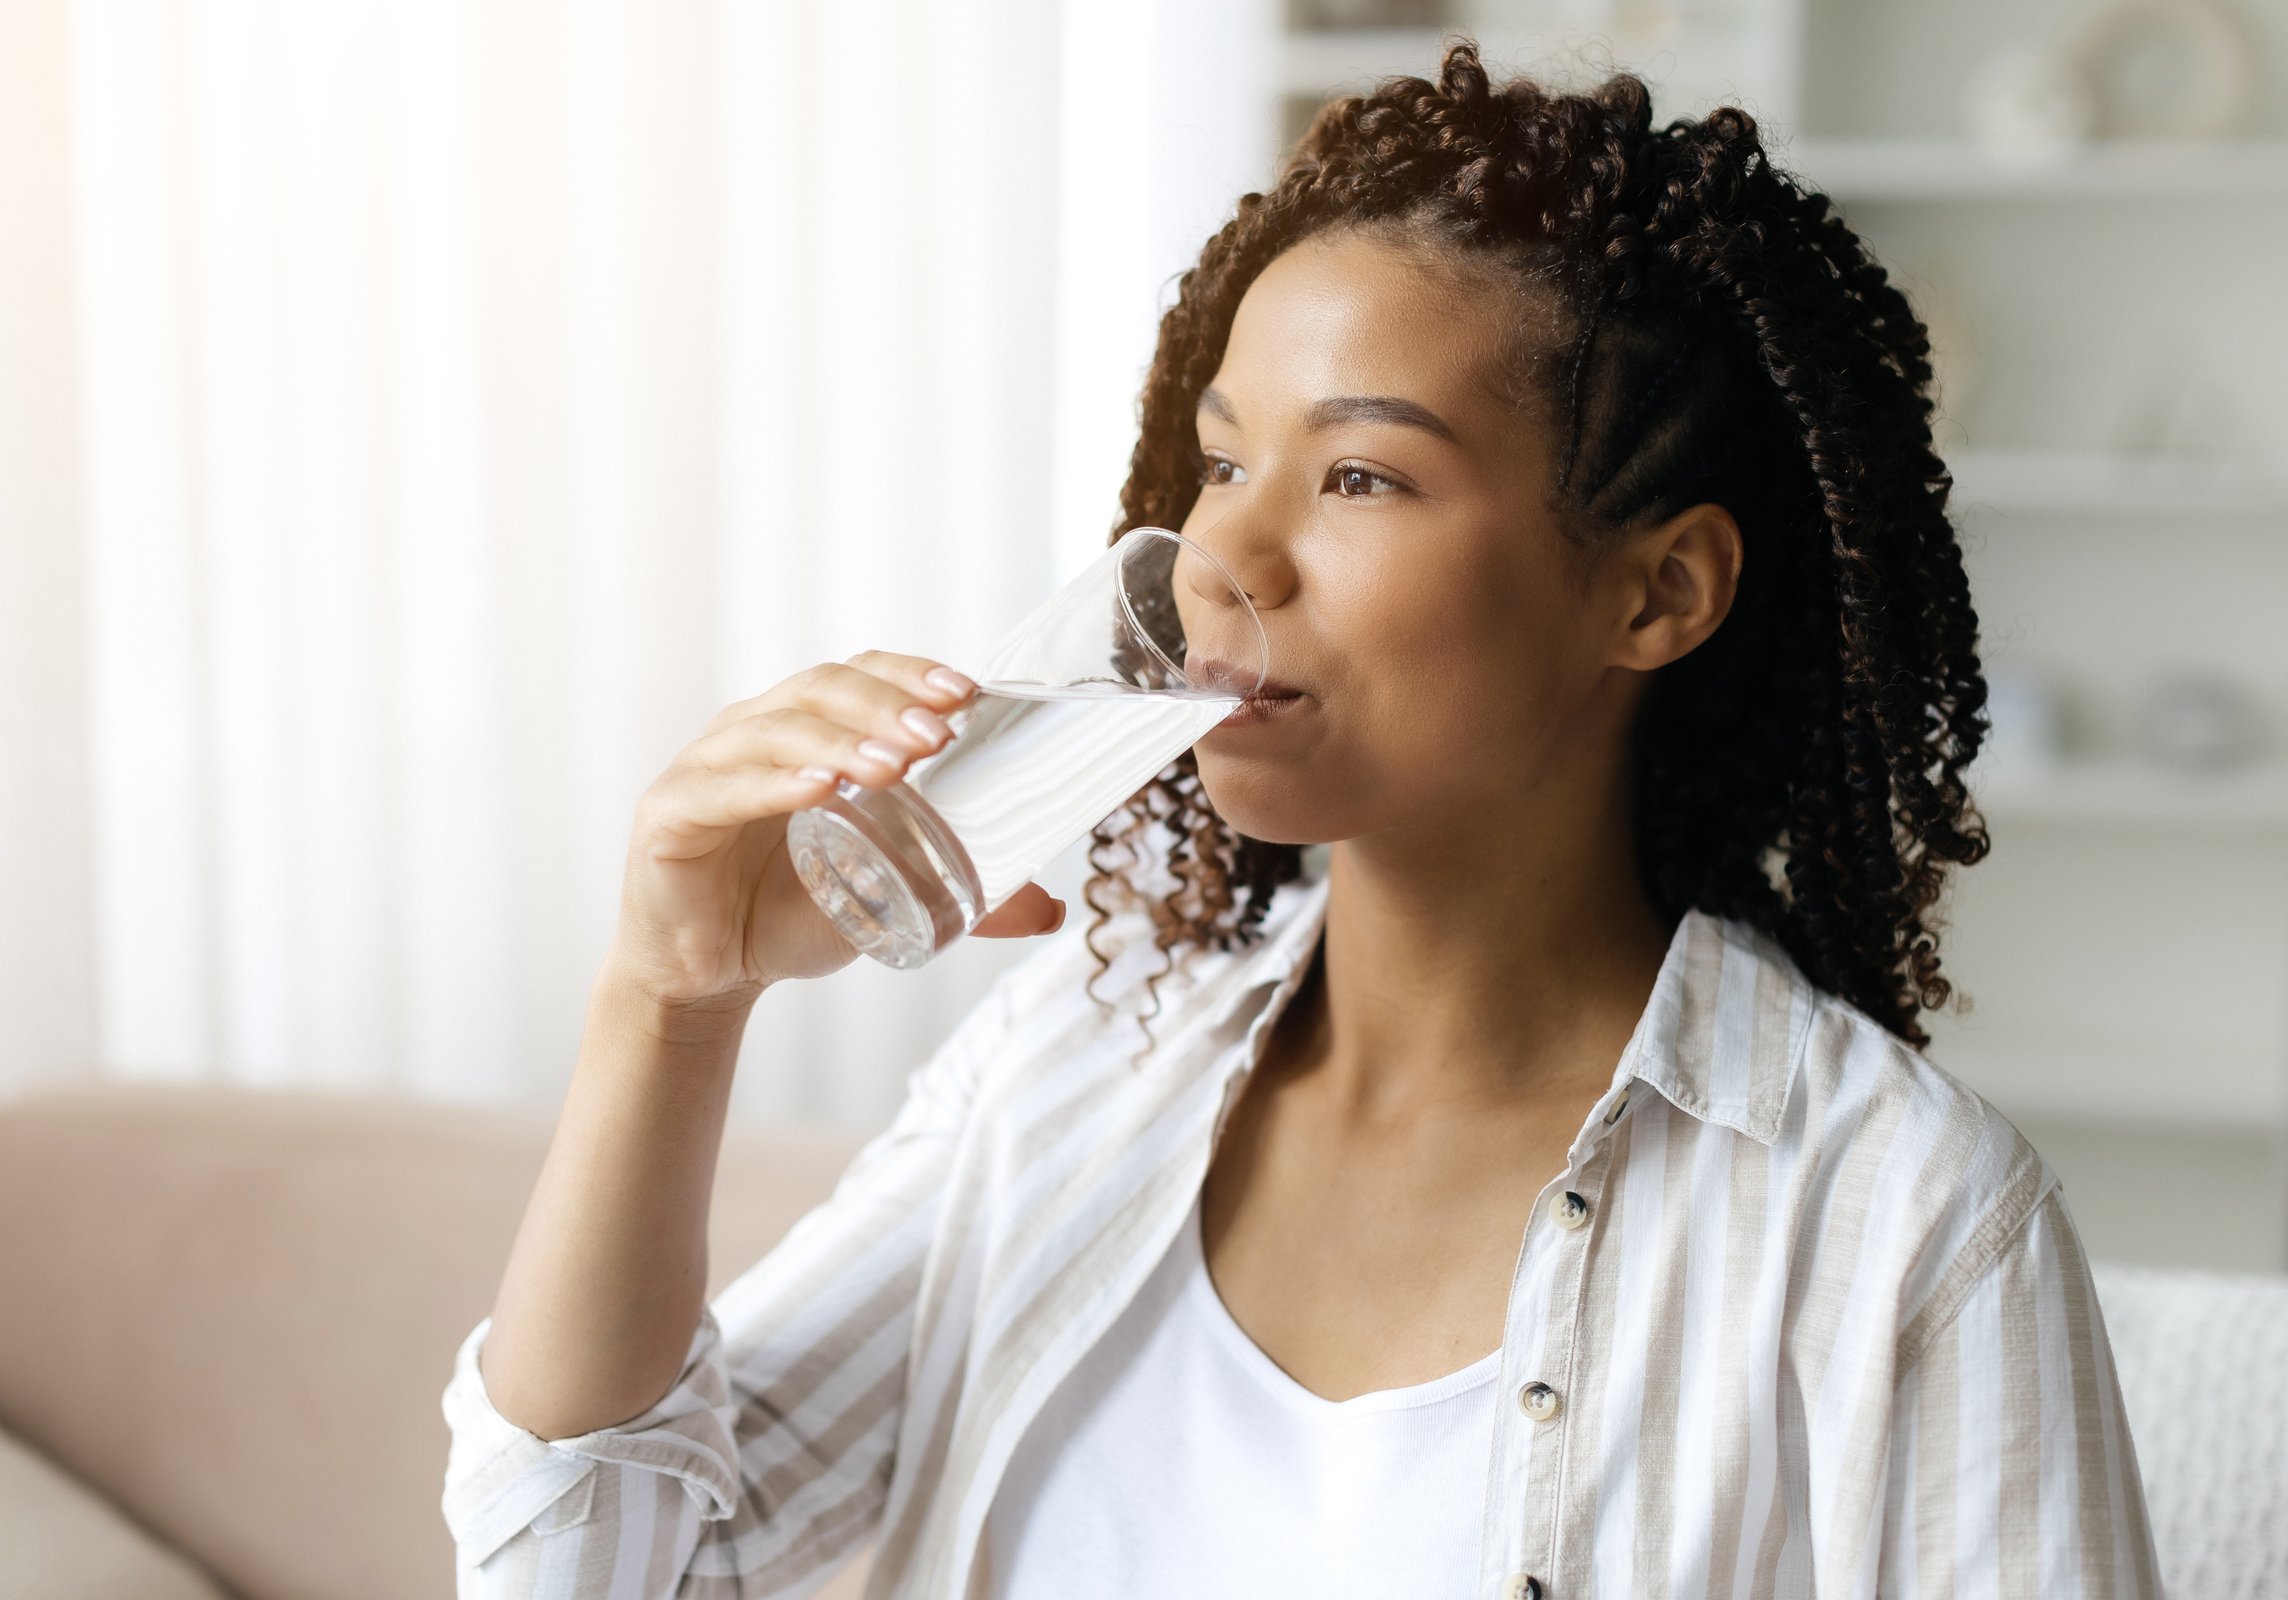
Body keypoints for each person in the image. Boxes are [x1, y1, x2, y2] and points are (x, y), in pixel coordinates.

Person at [441, 44, 2161, 1600]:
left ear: (1659, 593)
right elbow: (589, 1577)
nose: (1225, 562)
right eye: (1219, 463)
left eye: (1359, 477)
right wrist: (670, 1001)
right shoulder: (1077, 1061)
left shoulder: (1897, 1224)